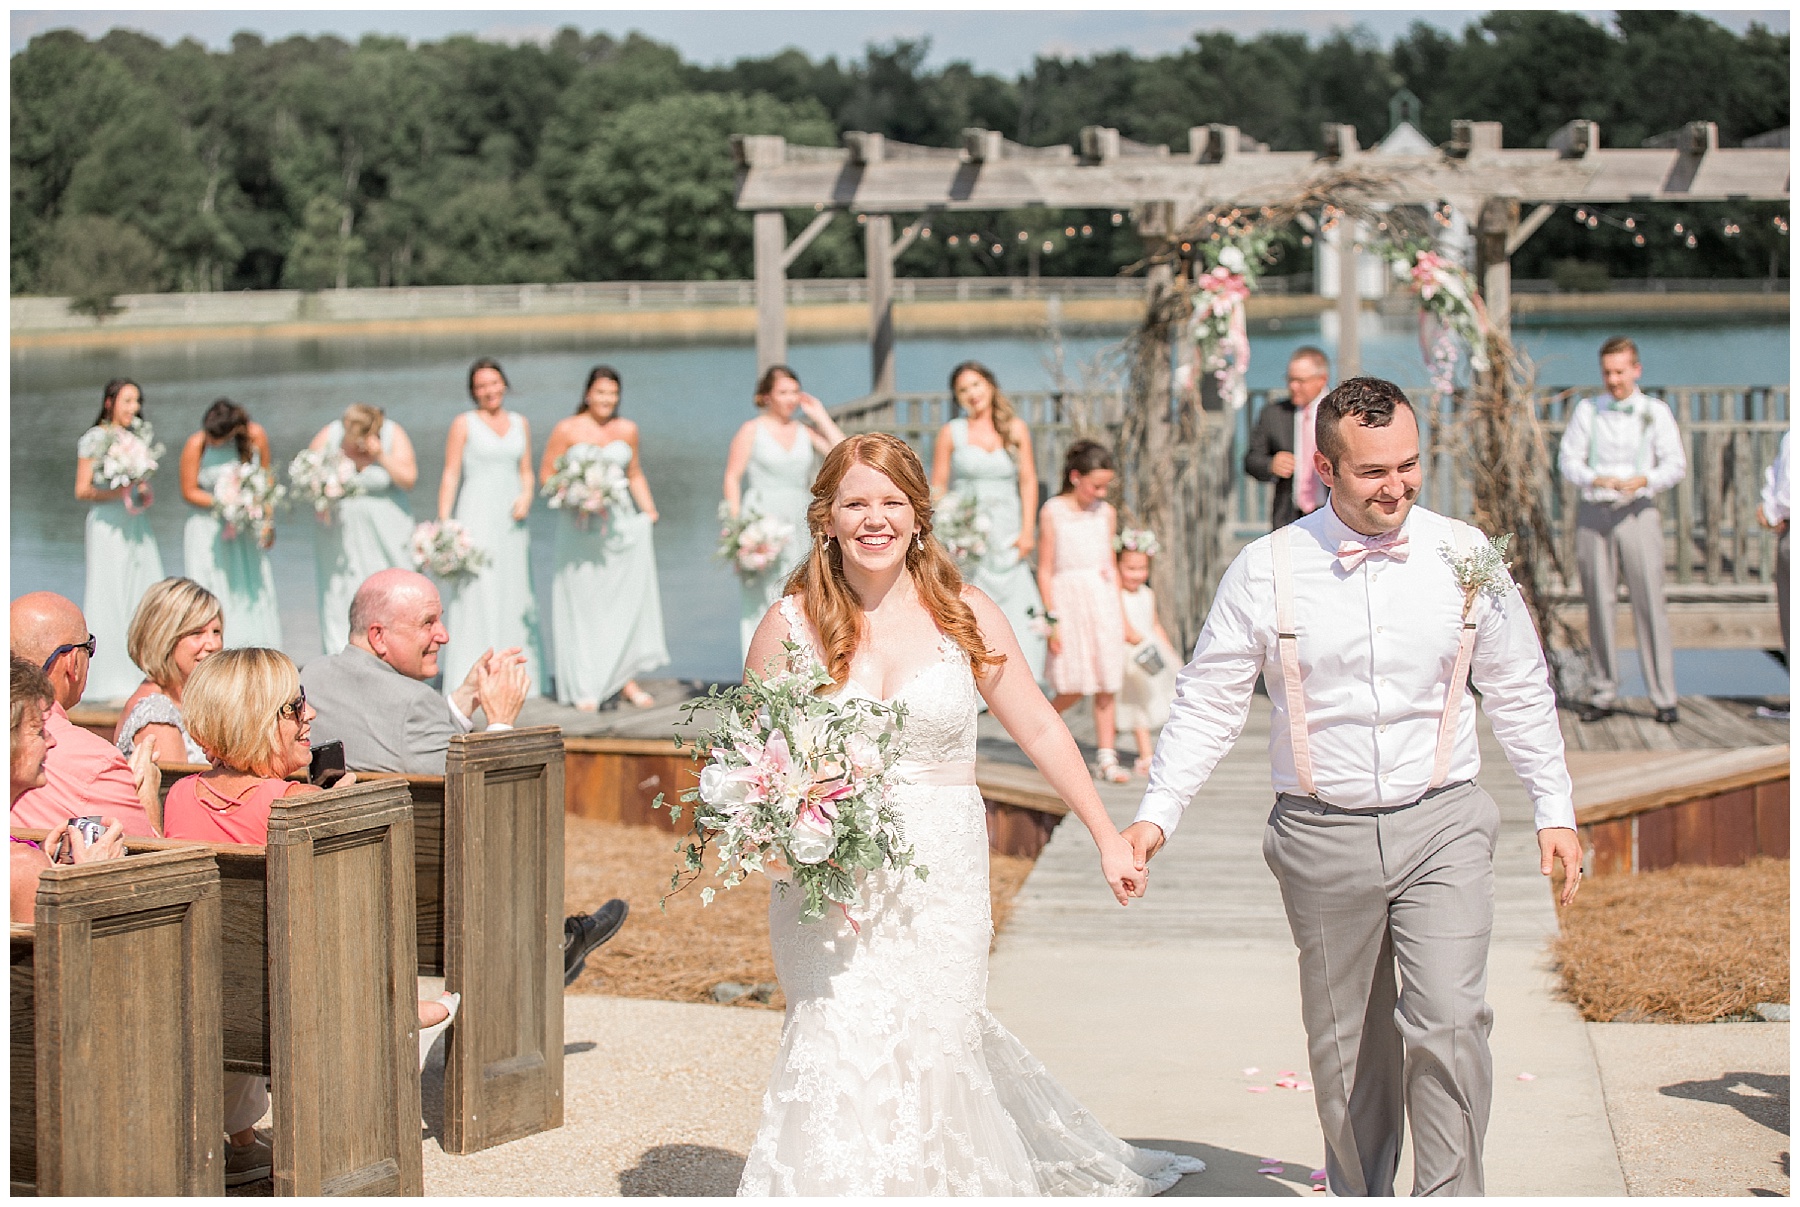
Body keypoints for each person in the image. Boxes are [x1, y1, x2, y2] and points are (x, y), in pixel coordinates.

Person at [1125, 377, 1583, 1197]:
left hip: (1443, 820)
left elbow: (1518, 685)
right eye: (1373, 471)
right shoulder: (1266, 567)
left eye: (1409, 465)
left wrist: (1555, 808)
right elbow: (1209, 699)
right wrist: (1156, 816)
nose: (1396, 486)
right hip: (1317, 829)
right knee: (1346, 1050)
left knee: (1448, 1022)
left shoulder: (1466, 554)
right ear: (1324, 467)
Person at [736, 432, 1199, 1195]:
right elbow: (754, 769)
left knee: (937, 1044)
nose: (874, 518)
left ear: (920, 516)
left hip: (942, 871)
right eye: (856, 502)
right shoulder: (787, 627)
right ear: (827, 517)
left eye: (892, 502)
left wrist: (1106, 833)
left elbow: (1044, 726)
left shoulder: (963, 611)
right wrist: (788, 841)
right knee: (834, 1039)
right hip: (831, 880)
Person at [165, 646, 453, 1178]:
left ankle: (242, 1142)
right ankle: (393, 1007)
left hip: (211, 993)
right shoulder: (295, 806)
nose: (311, 715)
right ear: (258, 720)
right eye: (295, 706)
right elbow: (354, 909)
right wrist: (340, 805)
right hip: (301, 999)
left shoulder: (179, 795)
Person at [299, 570, 626, 983]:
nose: (444, 635)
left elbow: (400, 746)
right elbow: (488, 802)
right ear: (379, 636)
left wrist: (459, 704)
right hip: (437, 915)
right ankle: (548, 944)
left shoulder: (310, 678)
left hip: (348, 890)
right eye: (428, 623)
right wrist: (500, 724)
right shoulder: (414, 701)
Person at [1557, 337, 1686, 724]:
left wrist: (1643, 480)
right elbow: (1568, 460)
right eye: (1607, 372)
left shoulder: (1655, 412)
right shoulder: (1587, 411)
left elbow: (1675, 465)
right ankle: (1603, 690)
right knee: (1599, 603)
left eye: (1620, 371)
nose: (1613, 380)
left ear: (1636, 370)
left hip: (1638, 512)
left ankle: (1663, 695)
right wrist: (1598, 479)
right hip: (1595, 512)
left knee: (1649, 603)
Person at [541, 366, 669, 711]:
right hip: (579, 529)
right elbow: (547, 475)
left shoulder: (627, 429)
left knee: (621, 601)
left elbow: (635, 473)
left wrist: (650, 510)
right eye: (600, 393)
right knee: (584, 602)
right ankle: (586, 683)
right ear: (587, 394)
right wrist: (576, 493)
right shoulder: (566, 429)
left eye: (612, 393)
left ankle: (624, 679)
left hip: (619, 526)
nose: (606, 400)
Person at [929, 360, 1048, 684]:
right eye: (963, 390)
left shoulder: (1015, 428)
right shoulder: (951, 432)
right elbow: (938, 485)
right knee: (972, 601)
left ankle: (1020, 678)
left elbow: (1028, 480)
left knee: (1016, 601)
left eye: (976, 385)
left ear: (991, 385)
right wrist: (943, 529)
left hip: (1007, 528)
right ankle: (977, 677)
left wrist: (1027, 531)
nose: (972, 394)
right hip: (969, 534)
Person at [10, 592, 160, 837]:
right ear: (72, 663)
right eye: (88, 647)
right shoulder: (95, 763)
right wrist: (146, 797)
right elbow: (150, 864)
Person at [437, 357, 545, 695]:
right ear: (473, 391)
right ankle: (472, 674)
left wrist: (527, 494)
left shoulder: (520, 423)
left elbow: (526, 469)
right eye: (481, 386)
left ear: (504, 384)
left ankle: (515, 673)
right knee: (478, 589)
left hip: (512, 519)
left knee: (515, 587)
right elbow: (451, 473)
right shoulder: (464, 423)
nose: (489, 391)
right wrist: (445, 523)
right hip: (476, 513)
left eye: (494, 383)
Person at [722, 364, 846, 658]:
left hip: (799, 519)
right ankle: (759, 671)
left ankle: (798, 665)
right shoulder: (751, 430)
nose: (791, 399)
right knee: (764, 595)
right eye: (783, 392)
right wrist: (737, 529)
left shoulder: (804, 430)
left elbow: (845, 453)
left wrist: (822, 417)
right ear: (766, 396)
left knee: (800, 591)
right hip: (762, 520)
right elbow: (731, 477)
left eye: (795, 392)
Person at [1038, 440, 1131, 783]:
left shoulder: (1105, 513)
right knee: (1072, 683)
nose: (1102, 492)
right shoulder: (1053, 511)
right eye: (1096, 485)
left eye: (1106, 485)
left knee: (1107, 681)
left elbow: (1110, 563)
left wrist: (1122, 615)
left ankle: (1106, 757)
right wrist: (1052, 619)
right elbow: (1046, 569)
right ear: (1076, 477)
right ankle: (1035, 731)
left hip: (1102, 597)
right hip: (1068, 600)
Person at [11, 655, 128, 923]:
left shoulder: (25, 862)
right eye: (39, 730)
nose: (51, 741)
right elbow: (62, 962)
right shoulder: (23, 867)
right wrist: (87, 882)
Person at [74, 377, 167, 702]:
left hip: (135, 522)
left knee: (141, 589)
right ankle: (109, 679)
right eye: (128, 401)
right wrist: (118, 492)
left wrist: (139, 490)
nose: (135, 408)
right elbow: (83, 490)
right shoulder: (94, 439)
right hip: (108, 525)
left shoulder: (136, 436)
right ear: (110, 402)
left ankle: (144, 670)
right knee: (110, 592)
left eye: (137, 401)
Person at [307, 403, 419, 657]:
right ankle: (341, 657)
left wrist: (380, 455)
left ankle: (398, 656)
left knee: (391, 590)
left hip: (387, 533)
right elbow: (308, 475)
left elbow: (409, 479)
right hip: (339, 536)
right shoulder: (330, 434)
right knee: (340, 592)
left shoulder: (393, 433)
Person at [180, 398, 282, 649]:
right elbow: (188, 490)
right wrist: (225, 502)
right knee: (211, 589)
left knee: (250, 590)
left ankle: (256, 650)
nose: (213, 440)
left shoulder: (256, 435)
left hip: (245, 530)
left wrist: (267, 522)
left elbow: (266, 481)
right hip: (208, 529)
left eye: (218, 437)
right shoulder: (197, 444)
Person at [113, 577, 223, 765]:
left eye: (216, 632)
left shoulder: (189, 699)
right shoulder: (157, 718)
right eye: (197, 633)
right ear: (164, 637)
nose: (213, 644)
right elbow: (171, 791)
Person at [1244, 347, 1333, 530]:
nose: (1293, 386)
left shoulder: (1341, 413)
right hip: (1288, 515)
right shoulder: (1273, 413)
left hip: (1333, 512)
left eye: (1300, 381)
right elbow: (1251, 460)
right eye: (1290, 379)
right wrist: (1271, 465)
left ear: (1322, 379)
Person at [1114, 529, 1178, 778]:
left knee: (1146, 704)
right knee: (1135, 708)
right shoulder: (1116, 596)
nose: (1136, 575)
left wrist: (1168, 650)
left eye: (1142, 569)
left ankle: (1138, 752)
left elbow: (1154, 624)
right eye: (1130, 568)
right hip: (1128, 657)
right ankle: (1145, 755)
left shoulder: (1147, 594)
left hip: (1148, 654)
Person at [1756, 430, 1790, 720]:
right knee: (1790, 619)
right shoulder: (1791, 436)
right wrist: (1770, 509)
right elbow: (1776, 476)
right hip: (1788, 532)